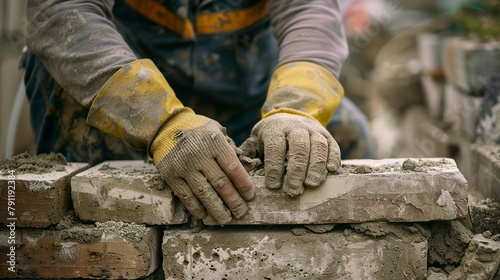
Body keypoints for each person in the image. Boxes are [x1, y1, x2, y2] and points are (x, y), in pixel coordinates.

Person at [22, 0, 374, 225]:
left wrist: (295, 109)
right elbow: (62, 9)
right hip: (127, 95)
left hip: (252, 97)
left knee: (343, 134)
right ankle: (81, 235)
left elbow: (309, 10)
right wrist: (161, 122)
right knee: (55, 76)